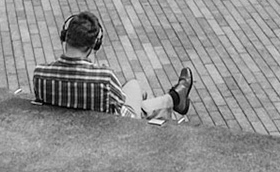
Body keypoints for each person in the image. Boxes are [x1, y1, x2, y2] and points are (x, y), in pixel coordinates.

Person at [31, 11, 192, 122]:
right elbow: (128, 118)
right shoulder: (104, 79)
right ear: (95, 45)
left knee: (134, 92)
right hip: (107, 134)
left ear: (65, 36)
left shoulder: (40, 74)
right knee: (135, 89)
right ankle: (174, 98)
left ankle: (176, 98)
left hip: (69, 129)